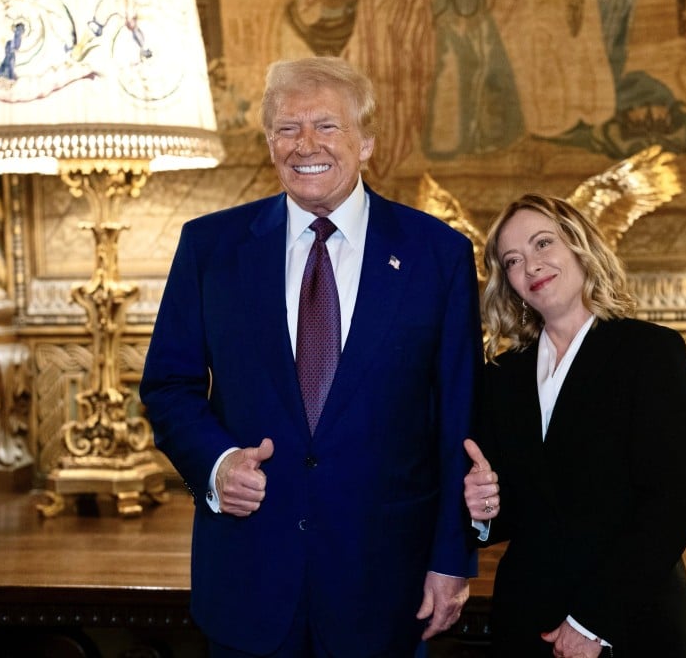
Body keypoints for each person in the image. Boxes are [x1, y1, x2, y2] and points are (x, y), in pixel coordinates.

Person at [140, 56, 482, 658]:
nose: (305, 145)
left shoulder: (439, 255)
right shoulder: (210, 246)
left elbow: (458, 415)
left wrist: (453, 557)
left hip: (385, 584)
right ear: (269, 142)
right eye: (286, 128)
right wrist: (217, 464)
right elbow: (169, 384)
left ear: (367, 142)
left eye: (326, 125)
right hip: (249, 579)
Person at [462, 194, 686, 657]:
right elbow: (517, 511)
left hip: (631, 624)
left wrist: (592, 622)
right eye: (513, 260)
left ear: (579, 245)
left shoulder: (651, 353)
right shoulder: (502, 375)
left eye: (542, 244)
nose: (530, 266)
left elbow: (668, 510)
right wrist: (482, 507)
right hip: (528, 621)